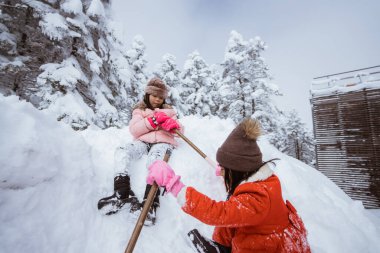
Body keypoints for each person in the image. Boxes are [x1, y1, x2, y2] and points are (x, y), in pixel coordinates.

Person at [147, 118, 311, 252]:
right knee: (233, 204)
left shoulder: (256, 200)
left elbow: (217, 213)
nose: (222, 172)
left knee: (229, 210)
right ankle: (221, 248)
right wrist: (227, 172)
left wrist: (173, 184)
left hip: (272, 248)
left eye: (226, 169)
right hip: (264, 234)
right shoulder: (265, 180)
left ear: (238, 171)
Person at [98, 77, 182, 225]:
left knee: (156, 163)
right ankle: (121, 193)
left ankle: (149, 205)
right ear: (148, 94)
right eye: (154, 95)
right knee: (123, 151)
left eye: (160, 97)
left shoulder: (169, 111)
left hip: (162, 142)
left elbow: (181, 132)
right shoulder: (139, 110)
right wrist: (152, 121)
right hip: (142, 141)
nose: (157, 99)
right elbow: (134, 130)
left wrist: (173, 125)